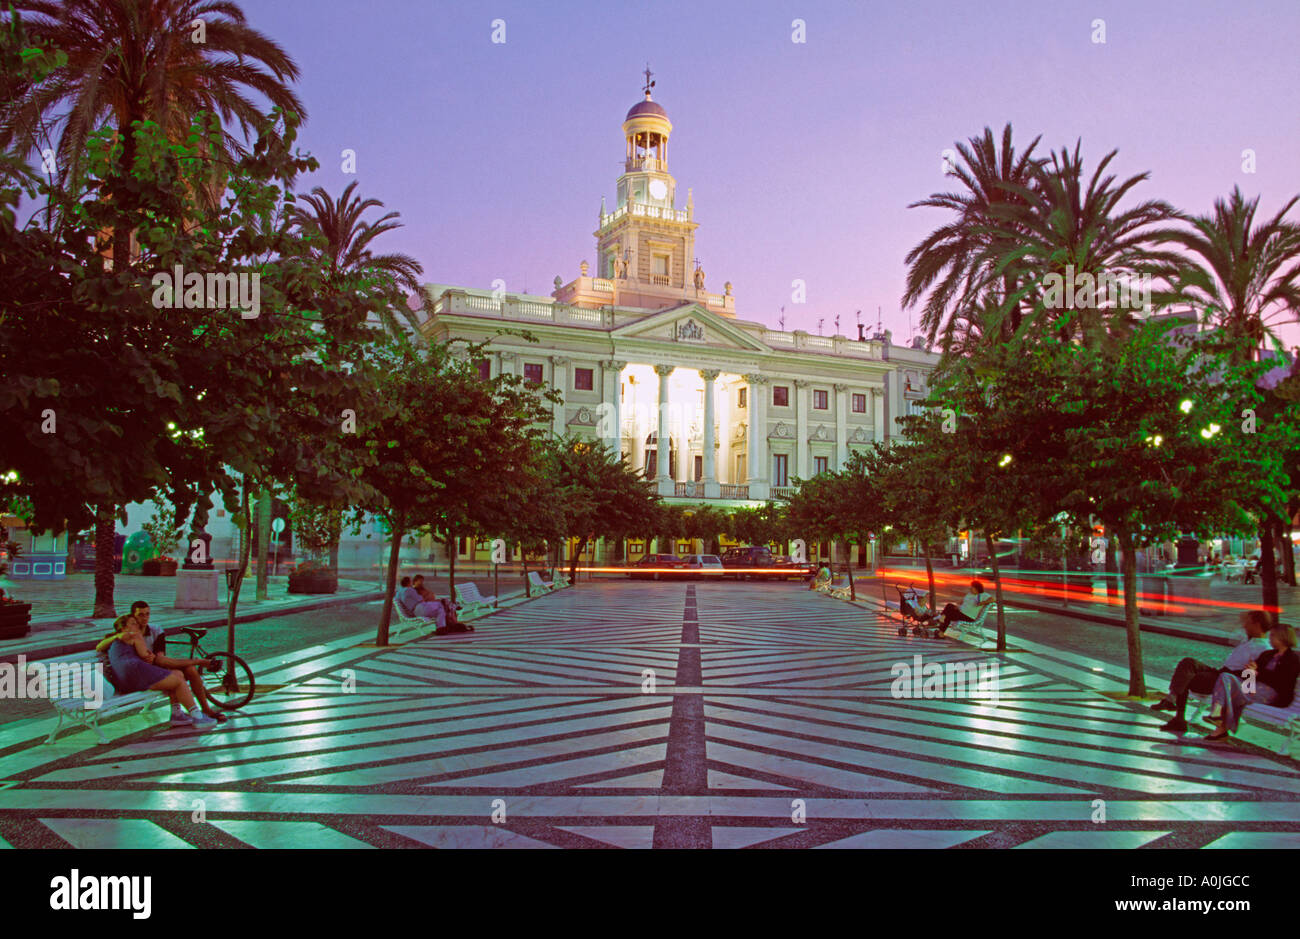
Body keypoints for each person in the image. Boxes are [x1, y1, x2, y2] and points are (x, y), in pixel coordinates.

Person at [95, 601, 229, 725]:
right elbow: (101, 646)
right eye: (140, 615)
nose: (144, 618)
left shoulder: (154, 630)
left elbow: (160, 659)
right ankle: (196, 716)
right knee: (178, 678)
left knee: (188, 670)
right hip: (139, 671)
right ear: (133, 617)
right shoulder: (131, 634)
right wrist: (117, 636)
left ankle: (198, 711)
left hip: (151, 667)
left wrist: (150, 657)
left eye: (147, 614)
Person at [1150, 610, 1272, 734]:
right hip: (1220, 674)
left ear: (1257, 625)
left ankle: (1176, 714)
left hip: (1226, 681)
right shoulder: (1249, 641)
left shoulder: (1264, 649)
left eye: (1248, 623)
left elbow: (1257, 677)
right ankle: (1172, 702)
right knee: (1188, 663)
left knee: (1186, 677)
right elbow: (1234, 637)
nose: (1244, 625)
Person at [1203, 623, 1299, 741]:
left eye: (1273, 635)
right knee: (1225, 677)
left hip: (1273, 693)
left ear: (1283, 637)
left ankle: (1222, 729)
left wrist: (1258, 673)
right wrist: (1249, 670)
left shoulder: (1293, 659)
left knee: (1233, 694)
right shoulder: (1267, 654)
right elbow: (1250, 675)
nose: (1270, 638)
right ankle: (1216, 712)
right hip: (1254, 687)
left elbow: (1283, 681)